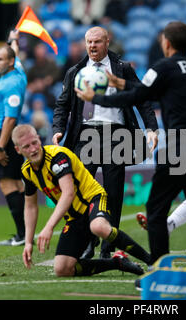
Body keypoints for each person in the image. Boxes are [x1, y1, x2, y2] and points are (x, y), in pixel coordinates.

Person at [75, 21, 186, 300]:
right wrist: (116, 81)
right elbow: (148, 89)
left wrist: (97, 97)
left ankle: (161, 274)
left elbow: (138, 94)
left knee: (156, 210)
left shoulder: (163, 67)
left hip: (180, 145)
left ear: (167, 43)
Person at [52, 26, 159, 259]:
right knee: (83, 192)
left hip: (116, 135)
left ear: (107, 42)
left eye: (97, 42)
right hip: (85, 135)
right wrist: (58, 130)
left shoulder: (122, 69)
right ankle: (88, 243)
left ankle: (108, 246)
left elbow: (143, 99)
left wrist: (151, 128)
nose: (92, 46)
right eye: (89, 42)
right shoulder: (76, 71)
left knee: (113, 192)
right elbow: (63, 105)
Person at [12, 124, 151, 277]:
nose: (33, 149)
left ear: (39, 139)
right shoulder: (26, 172)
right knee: (62, 270)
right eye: (26, 146)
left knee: (99, 227)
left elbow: (68, 193)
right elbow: (31, 207)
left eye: (34, 143)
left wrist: (49, 227)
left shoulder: (57, 156)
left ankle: (151, 260)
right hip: (74, 217)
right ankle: (117, 262)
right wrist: (28, 242)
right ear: (18, 150)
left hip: (93, 199)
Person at [0, 30, 27, 246]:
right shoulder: (18, 72)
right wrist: (14, 39)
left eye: (0, 59)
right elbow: (15, 52)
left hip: (5, 135)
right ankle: (25, 231)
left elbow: (10, 119)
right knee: (16, 183)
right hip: (11, 136)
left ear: (10, 62)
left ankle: (22, 234)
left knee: (7, 183)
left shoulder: (10, 84)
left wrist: (1, 147)